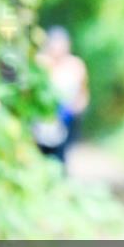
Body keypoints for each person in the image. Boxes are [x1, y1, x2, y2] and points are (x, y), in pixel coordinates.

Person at [33, 26, 89, 166]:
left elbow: (83, 94)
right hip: (40, 120)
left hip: (66, 119)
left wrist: (75, 110)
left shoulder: (75, 65)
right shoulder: (40, 63)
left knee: (61, 158)